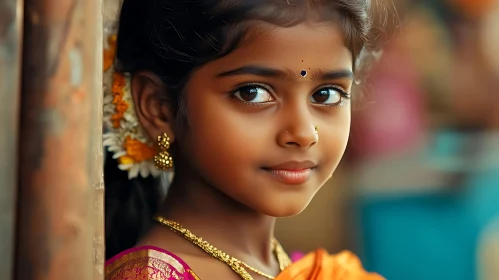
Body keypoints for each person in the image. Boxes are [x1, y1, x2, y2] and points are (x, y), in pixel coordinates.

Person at [103, 0, 385, 279]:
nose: (303, 133)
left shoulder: (308, 271)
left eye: (326, 94)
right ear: (159, 107)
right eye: (252, 93)